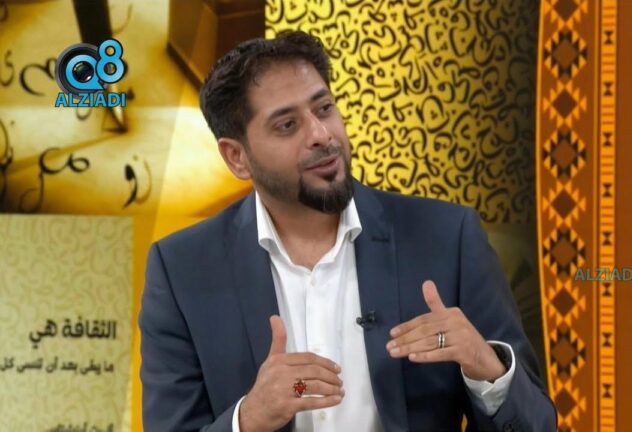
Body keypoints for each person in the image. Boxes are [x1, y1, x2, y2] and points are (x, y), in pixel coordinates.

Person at [139, 30, 556, 432]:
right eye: (287, 125)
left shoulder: (448, 239)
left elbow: (537, 425)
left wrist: (487, 369)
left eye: (324, 109)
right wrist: (247, 419)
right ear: (237, 157)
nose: (321, 135)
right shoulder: (181, 270)